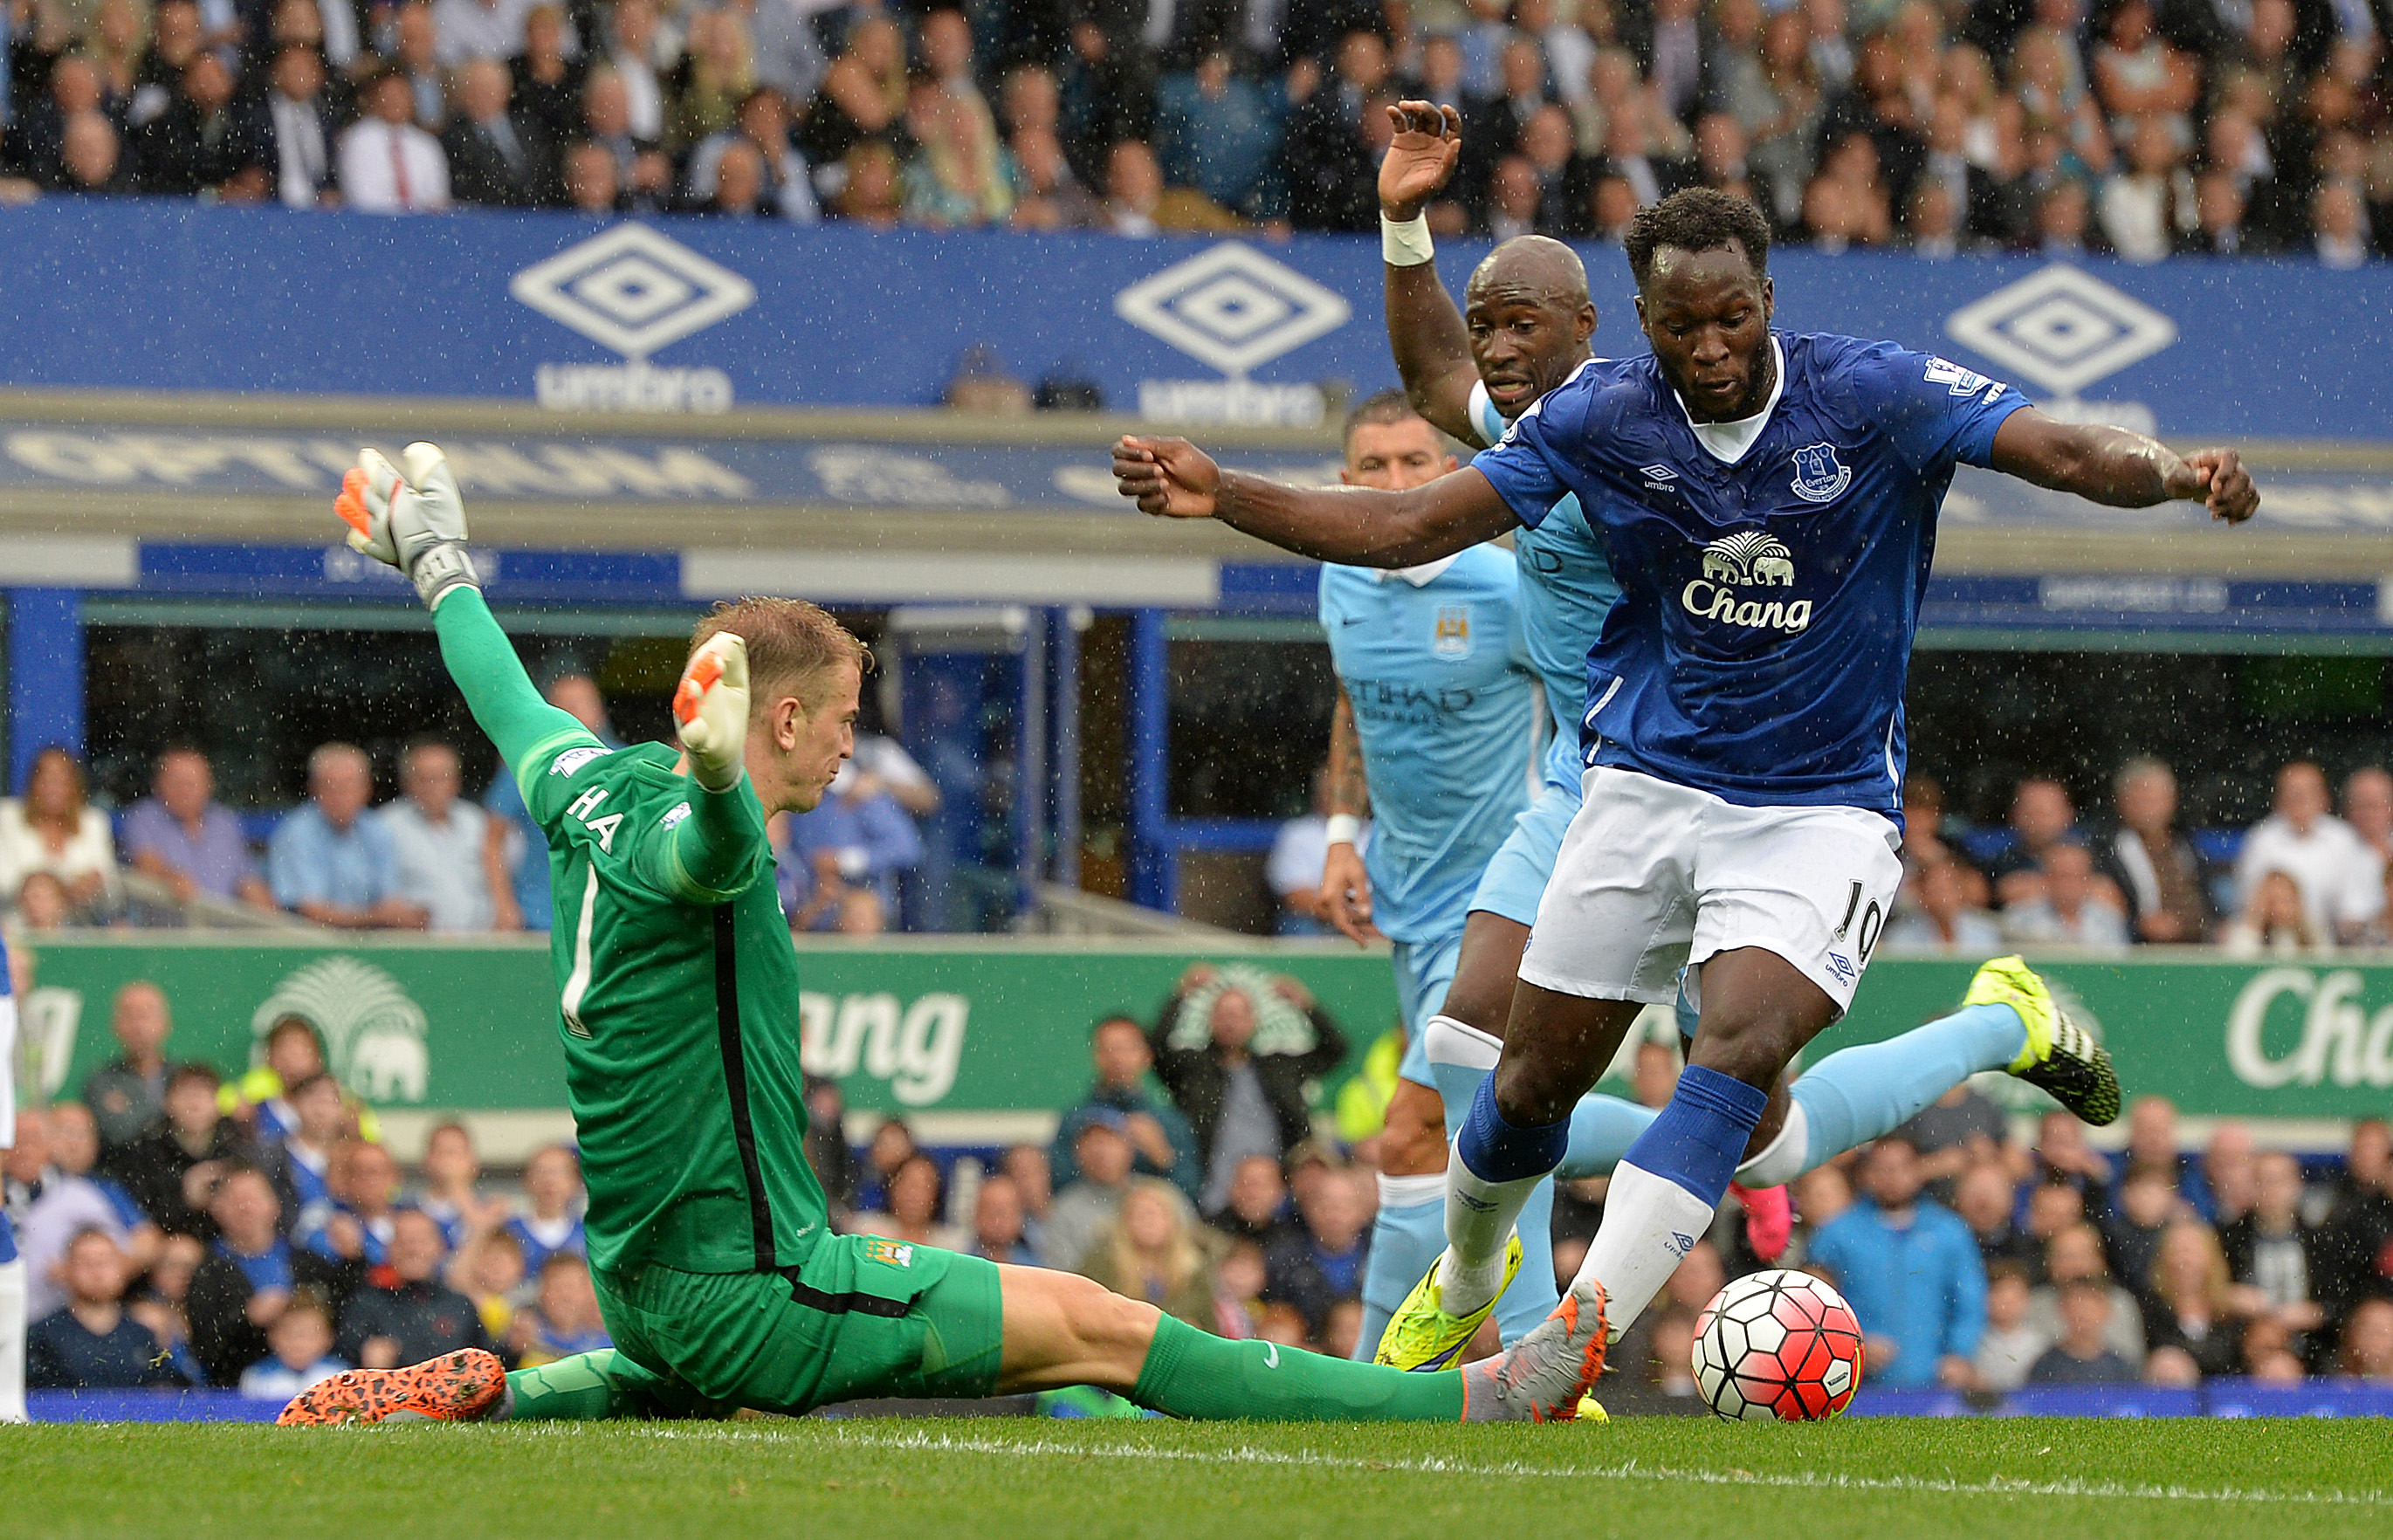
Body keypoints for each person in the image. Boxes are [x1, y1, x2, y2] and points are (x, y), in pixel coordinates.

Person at [1114, 181, 2252, 1417]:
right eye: (1679, 327)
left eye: (1730, 320)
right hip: (1640, 785)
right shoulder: (1599, 417)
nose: (1708, 350)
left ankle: (1571, 1336)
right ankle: (1464, 1274)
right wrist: (1222, 492)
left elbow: (2072, 453)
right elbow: (1408, 524)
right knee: (1521, 1087)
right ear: (1639, 323)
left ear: (1766, 301)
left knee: (1741, 1048)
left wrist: (2178, 473)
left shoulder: (1869, 395)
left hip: (1818, 809)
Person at [285, 444, 1558, 1427]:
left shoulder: (586, 783)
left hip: (648, 1289)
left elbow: (502, 692)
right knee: (1104, 1326)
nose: (852, 740)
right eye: (837, 714)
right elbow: (709, 856)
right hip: (759, 1288)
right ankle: (1465, 1398)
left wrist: (436, 560)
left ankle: (520, 1397)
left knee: (689, 1371)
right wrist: (725, 783)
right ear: (773, 721)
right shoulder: (710, 837)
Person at [1149, 973, 1348, 1217]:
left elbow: (1336, 1049)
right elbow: (1155, 1051)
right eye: (1224, 1014)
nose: (1231, 1022)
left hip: (1279, 1205)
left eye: (1239, 1015)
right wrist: (1179, 997)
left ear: (1254, 1021)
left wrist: (1308, 1006)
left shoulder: (1278, 1068)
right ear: (1210, 1021)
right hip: (1211, 1202)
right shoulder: (1194, 1069)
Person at [1808, 1137, 1986, 1389]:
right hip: (1854, 1384)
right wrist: (1850, 1345)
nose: (1891, 1177)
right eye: (1882, 1168)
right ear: (1865, 1174)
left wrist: (1959, 1353)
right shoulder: (1836, 1233)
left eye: (1901, 1167)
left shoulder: (1949, 1231)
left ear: (1918, 1170)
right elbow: (1813, 1306)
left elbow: (1970, 1300)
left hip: (1936, 1384)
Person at [187, 1165, 358, 1386]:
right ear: (216, 1208)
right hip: (240, 1389)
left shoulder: (308, 1263)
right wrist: (247, 1319)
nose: (246, 1208)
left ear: (274, 1205)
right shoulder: (208, 1273)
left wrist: (354, 1261)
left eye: (253, 1199)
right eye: (236, 1200)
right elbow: (205, 1347)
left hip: (318, 1381)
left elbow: (346, 1312)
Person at [266, 744, 425, 929]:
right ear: (313, 790)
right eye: (331, 787)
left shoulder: (376, 828)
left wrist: (406, 916)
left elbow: (391, 900)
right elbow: (310, 913)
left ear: (367, 789)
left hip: (372, 940)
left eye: (349, 786)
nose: (340, 796)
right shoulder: (295, 833)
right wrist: (377, 917)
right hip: (311, 943)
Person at [1049, 1015, 1200, 1200]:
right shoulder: (1075, 1120)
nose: (1117, 1057)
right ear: (1096, 1057)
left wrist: (1164, 1157)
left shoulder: (1170, 1122)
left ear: (1146, 1056)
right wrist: (1093, 1160)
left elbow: (1190, 1192)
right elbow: (1057, 1185)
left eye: (1127, 1048)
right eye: (1108, 1049)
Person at [2236, 760, 2384, 945]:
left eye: (2308, 792)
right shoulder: (2261, 840)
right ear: (2278, 799)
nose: (2300, 799)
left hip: (2336, 944)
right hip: (2274, 941)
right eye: (2292, 793)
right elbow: (2251, 908)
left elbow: (2357, 906)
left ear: (2324, 797)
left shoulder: (2343, 839)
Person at [25, 1227, 187, 1388]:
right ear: (65, 1270)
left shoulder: (141, 1336)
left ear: (124, 1269)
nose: (97, 1272)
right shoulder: (42, 1336)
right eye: (85, 1262)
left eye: (106, 1262)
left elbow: (169, 1392)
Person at [336, 1207, 495, 1371]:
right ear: (389, 1249)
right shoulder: (365, 1303)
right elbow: (338, 1364)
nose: (413, 1250)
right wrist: (369, 1370)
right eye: (404, 1242)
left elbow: (489, 1365)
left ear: (439, 1248)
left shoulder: (459, 1305)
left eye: (421, 1241)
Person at [121, 747, 274, 911]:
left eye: (191, 783)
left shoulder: (225, 823)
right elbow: (146, 864)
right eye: (176, 782)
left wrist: (266, 908)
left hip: (223, 928)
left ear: (209, 785)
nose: (184, 791)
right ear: (158, 784)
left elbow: (246, 879)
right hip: (165, 929)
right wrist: (171, 878)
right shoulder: (143, 818)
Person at [108, 1064, 249, 1238]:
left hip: (229, 1246)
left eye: (203, 1094)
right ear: (167, 1103)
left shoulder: (238, 1147)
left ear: (218, 1103)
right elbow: (141, 1224)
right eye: (186, 1094)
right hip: (171, 1247)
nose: (194, 1103)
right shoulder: (145, 1153)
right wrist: (186, 1199)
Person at [1077, 1178, 1221, 1330]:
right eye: (1141, 1214)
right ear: (1125, 1222)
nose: (1149, 1221)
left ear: (1174, 1222)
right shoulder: (1101, 1263)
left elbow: (1209, 1330)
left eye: (1157, 1213)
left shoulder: (1195, 1269)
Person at [385, 739, 498, 932]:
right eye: (424, 778)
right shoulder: (387, 826)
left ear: (457, 781)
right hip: (419, 946)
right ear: (406, 782)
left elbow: (509, 876)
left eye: (441, 778)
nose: (433, 787)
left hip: (481, 943)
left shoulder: (477, 822)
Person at [2096, 757, 2210, 943]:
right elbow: (2105, 907)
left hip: (2200, 946)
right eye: (2143, 799)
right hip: (2143, 951)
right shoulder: (2106, 848)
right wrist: (2137, 925)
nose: (2151, 808)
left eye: (2158, 798)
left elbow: (2206, 897)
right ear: (2122, 801)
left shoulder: (2185, 844)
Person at [0, 746, 119, 922]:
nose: (53, 787)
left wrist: (95, 885)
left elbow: (112, 893)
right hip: (16, 928)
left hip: (76, 930)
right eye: (46, 779)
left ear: (75, 785)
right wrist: (55, 889)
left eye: (62, 779)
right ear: (33, 782)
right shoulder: (7, 817)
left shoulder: (94, 823)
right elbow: (4, 883)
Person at [81, 982, 183, 1156]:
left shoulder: (183, 1078)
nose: (138, 1026)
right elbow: (115, 1135)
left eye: (146, 1015)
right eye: (130, 1016)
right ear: (115, 1025)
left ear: (166, 1024)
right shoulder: (100, 1082)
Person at [336, 69, 450, 213]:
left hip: (422, 227)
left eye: (400, 93)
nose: (394, 100)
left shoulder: (427, 144)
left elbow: (438, 198)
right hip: (374, 224)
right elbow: (359, 195)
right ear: (374, 98)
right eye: (387, 94)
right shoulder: (357, 139)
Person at [237, 1288, 347, 1399]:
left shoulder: (340, 1375)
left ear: (328, 1338)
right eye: (289, 1334)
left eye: (309, 1335)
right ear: (272, 1336)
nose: (298, 1343)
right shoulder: (256, 1377)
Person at [2026, 1275, 2136, 1384]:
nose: (2083, 1314)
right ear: (2062, 1310)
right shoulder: (2045, 1366)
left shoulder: (2121, 1369)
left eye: (2090, 1309)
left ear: (2106, 1310)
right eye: (2076, 1307)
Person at [505, 1145, 586, 1278]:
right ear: (526, 1179)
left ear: (575, 1181)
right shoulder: (508, 1231)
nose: (550, 1180)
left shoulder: (589, 1235)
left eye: (559, 1172)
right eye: (542, 1171)